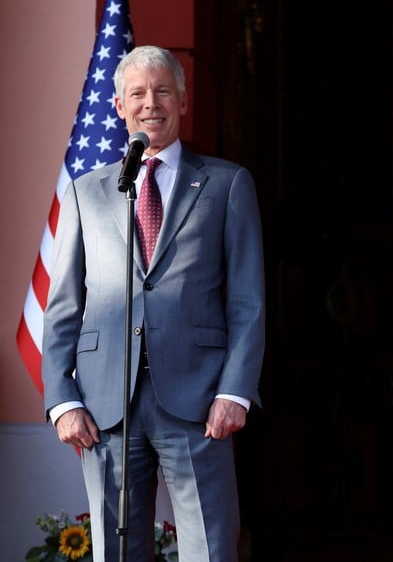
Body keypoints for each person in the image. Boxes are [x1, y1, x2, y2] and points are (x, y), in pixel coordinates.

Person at [41, 45, 266, 562]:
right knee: (117, 552)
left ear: (183, 100)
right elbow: (63, 307)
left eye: (163, 90)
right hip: (104, 405)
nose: (151, 103)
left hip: (200, 400)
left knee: (209, 549)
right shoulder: (86, 192)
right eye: (137, 93)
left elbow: (248, 302)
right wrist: (62, 400)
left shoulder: (227, 184)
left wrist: (235, 390)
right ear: (118, 106)